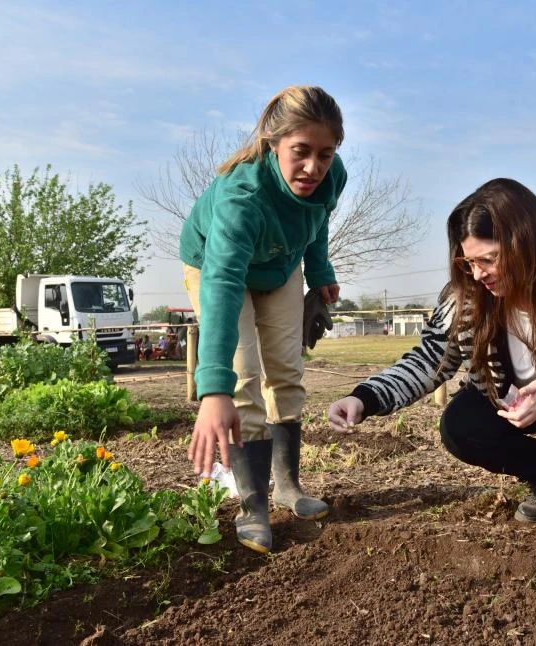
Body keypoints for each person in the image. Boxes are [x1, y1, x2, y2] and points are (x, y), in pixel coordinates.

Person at [327, 178, 536, 559]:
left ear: (525, 243)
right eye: (468, 262)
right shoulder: (468, 295)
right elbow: (429, 358)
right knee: (462, 426)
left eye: (488, 259)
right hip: (527, 397)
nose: (478, 274)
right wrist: (365, 397)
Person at [180, 85, 346, 554]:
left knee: (287, 370)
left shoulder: (332, 177)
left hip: (278, 265)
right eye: (300, 152)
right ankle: (253, 506)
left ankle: (288, 487)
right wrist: (213, 388)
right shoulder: (242, 198)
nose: (313, 167)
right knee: (244, 375)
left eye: (325, 153)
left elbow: (317, 219)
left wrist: (321, 272)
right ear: (273, 144)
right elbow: (223, 284)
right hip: (216, 267)